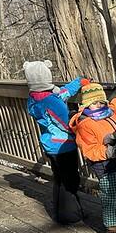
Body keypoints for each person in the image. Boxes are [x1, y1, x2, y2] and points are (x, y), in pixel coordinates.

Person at [70, 79, 116, 233]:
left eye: (102, 102)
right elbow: (89, 150)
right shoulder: (85, 124)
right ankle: (112, 227)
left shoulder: (111, 111)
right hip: (105, 166)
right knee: (110, 195)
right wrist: (109, 151)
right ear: (86, 105)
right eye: (95, 103)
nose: (100, 106)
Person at [23, 60, 88, 224]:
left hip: (50, 144)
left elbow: (63, 93)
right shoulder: (51, 101)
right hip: (63, 147)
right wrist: (79, 115)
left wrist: (79, 82)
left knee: (59, 178)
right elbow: (67, 123)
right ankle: (71, 216)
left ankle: (62, 212)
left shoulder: (34, 98)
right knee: (70, 181)